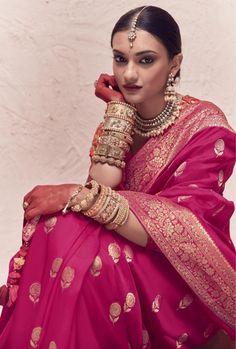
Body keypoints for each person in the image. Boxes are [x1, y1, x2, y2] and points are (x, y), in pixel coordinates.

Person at [0, 5, 235, 349]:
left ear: (175, 64)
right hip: (125, 250)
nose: (128, 75)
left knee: (89, 254)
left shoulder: (205, 127)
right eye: (120, 59)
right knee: (59, 228)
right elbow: (105, 185)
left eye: (145, 60)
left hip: (179, 272)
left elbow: (184, 230)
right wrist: (118, 111)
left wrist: (75, 196)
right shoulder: (123, 114)